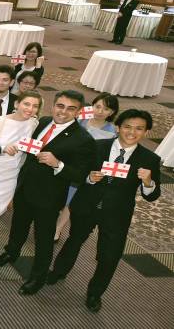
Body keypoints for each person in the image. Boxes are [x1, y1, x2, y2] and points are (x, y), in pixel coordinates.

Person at [47, 109, 161, 313]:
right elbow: (78, 175)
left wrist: (148, 182)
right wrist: (89, 178)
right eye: (127, 126)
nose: (132, 132)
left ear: (146, 132)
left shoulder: (150, 158)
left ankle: (95, 293)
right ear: (118, 127)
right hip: (87, 205)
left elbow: (152, 196)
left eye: (139, 129)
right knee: (74, 240)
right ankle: (58, 272)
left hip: (117, 213)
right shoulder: (97, 147)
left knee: (109, 256)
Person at [0, 90, 95, 296]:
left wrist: (59, 164)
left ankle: (37, 277)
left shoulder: (83, 139)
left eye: (70, 108)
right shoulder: (43, 121)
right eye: (60, 106)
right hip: (25, 187)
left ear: (79, 112)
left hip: (49, 197)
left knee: (43, 238)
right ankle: (11, 253)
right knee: (18, 225)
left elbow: (81, 175)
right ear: (53, 106)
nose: (63, 112)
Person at [0, 90, 42, 275]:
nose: (30, 109)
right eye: (27, 104)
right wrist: (2, 148)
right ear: (17, 103)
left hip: (11, 175)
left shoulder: (35, 124)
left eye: (35, 106)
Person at [54, 92, 119, 241]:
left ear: (112, 112)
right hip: (66, 162)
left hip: (86, 169)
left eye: (106, 109)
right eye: (97, 106)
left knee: (71, 198)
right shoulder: (81, 119)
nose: (100, 111)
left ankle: (58, 228)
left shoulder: (112, 131)